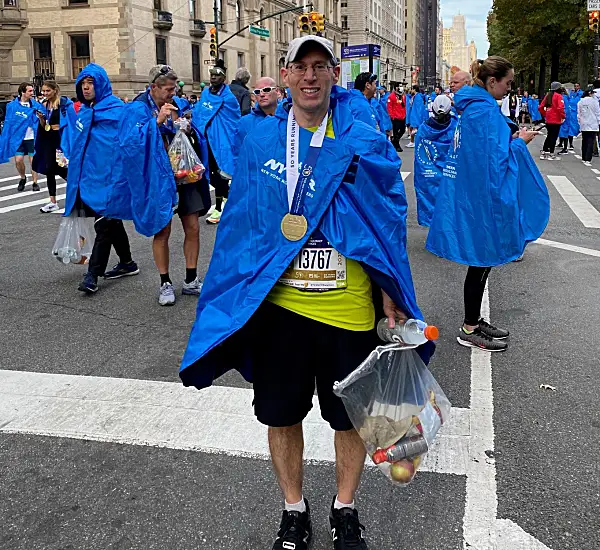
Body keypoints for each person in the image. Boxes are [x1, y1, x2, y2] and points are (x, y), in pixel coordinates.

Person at [179, 34, 433, 550]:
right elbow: (243, 224)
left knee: (350, 419)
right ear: (286, 73)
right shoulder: (262, 143)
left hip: (347, 309)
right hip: (281, 310)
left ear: (334, 75)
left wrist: (390, 289)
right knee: (281, 414)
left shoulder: (364, 138)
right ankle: (294, 510)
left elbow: (387, 222)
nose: (311, 76)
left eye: (321, 66)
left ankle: (345, 508)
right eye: (302, 66)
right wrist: (233, 294)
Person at [426, 56, 550, 352]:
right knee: (481, 262)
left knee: (482, 262)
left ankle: (473, 321)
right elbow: (495, 162)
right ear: (492, 81)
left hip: (472, 194)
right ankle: (469, 327)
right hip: (480, 199)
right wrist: (520, 142)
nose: (510, 88)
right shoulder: (482, 112)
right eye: (508, 82)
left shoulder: (474, 108)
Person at [120, 65, 211, 306]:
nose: (173, 93)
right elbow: (129, 144)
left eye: (174, 88)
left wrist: (187, 127)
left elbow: (196, 131)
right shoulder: (138, 108)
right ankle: (165, 283)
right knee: (162, 230)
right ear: (154, 88)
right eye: (168, 89)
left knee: (192, 226)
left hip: (185, 173)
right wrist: (156, 124)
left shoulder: (179, 104)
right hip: (159, 178)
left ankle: (191, 279)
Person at [62, 64, 139, 294]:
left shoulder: (116, 110)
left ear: (101, 84)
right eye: (82, 85)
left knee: (104, 225)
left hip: (112, 178)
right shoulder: (85, 111)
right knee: (110, 222)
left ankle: (92, 275)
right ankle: (127, 262)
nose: (85, 89)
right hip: (90, 180)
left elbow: (129, 142)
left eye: (90, 84)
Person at [192, 59, 241, 225]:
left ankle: (220, 206)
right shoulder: (205, 94)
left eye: (217, 76)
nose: (213, 78)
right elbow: (200, 112)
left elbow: (233, 120)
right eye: (211, 75)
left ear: (224, 78)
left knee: (221, 174)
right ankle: (223, 202)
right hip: (206, 141)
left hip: (222, 141)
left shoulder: (229, 98)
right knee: (210, 172)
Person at [413, 95, 458, 227]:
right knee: (450, 204)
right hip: (451, 173)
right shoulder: (456, 127)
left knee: (431, 201)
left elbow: (419, 155)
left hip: (429, 173)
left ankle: (435, 231)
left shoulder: (423, 129)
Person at [33, 80, 76, 213]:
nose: (45, 93)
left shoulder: (64, 104)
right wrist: (41, 119)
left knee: (63, 168)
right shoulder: (44, 104)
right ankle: (53, 201)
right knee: (49, 170)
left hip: (60, 141)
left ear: (55, 90)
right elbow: (43, 125)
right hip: (47, 140)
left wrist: (60, 128)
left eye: (48, 91)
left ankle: (79, 193)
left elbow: (72, 122)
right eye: (43, 91)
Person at [0, 82, 42, 192]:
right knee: (18, 160)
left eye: (32, 91)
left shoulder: (35, 105)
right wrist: (6, 137)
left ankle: (35, 182)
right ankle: (23, 178)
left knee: (34, 160)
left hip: (31, 137)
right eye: (30, 91)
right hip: (18, 138)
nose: (32, 93)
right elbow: (9, 122)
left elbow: (43, 118)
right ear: (23, 92)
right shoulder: (12, 106)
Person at [233, 76, 279, 156]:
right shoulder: (244, 123)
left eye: (266, 90)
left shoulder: (289, 118)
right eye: (257, 92)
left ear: (277, 92)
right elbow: (237, 153)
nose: (261, 94)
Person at [539, 82, 566, 161]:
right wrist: (563, 116)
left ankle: (544, 152)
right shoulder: (559, 96)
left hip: (548, 118)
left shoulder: (548, 95)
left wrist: (545, 114)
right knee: (554, 137)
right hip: (556, 119)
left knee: (549, 135)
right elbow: (560, 108)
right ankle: (551, 153)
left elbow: (540, 107)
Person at [577, 89, 600, 167]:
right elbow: (597, 113)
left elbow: (579, 114)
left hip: (584, 123)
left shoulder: (580, 102)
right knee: (591, 141)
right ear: (590, 93)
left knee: (585, 140)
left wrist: (579, 122)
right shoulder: (594, 102)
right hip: (593, 123)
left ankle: (583, 156)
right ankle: (588, 158)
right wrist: (598, 122)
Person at [387, 83, 406, 151]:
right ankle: (397, 145)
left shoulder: (403, 96)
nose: (401, 87)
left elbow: (404, 105)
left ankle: (394, 140)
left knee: (403, 130)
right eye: (399, 86)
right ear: (395, 88)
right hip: (395, 117)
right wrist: (392, 116)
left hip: (402, 116)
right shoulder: (391, 96)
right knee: (395, 131)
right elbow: (389, 107)